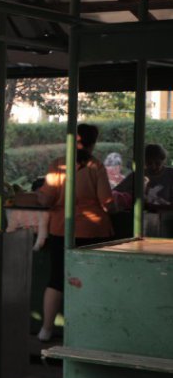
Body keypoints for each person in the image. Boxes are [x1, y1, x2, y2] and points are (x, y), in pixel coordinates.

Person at [36, 124, 112, 342]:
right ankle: (88, 331)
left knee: (57, 279)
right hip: (93, 230)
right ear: (93, 143)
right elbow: (107, 202)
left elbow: (47, 198)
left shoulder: (58, 164)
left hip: (63, 228)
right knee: (91, 280)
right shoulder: (96, 166)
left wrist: (39, 195)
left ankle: (46, 330)